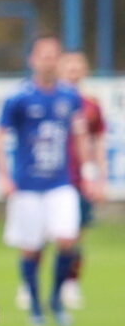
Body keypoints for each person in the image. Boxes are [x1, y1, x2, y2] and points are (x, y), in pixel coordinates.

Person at [0, 36, 90, 326]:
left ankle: (57, 300)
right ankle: (35, 305)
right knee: (31, 248)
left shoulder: (69, 97)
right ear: (32, 59)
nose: (48, 61)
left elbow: (81, 132)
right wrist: (4, 175)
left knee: (67, 239)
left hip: (61, 182)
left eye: (53, 56)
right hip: (28, 187)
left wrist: (87, 172)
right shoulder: (19, 97)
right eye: (43, 55)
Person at [55, 50, 108, 310]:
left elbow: (98, 142)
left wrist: (100, 177)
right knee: (46, 232)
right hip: (53, 177)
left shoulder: (91, 105)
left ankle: (70, 283)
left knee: (76, 234)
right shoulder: (51, 101)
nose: (74, 70)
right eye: (69, 66)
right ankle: (32, 285)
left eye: (79, 65)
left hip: (80, 179)